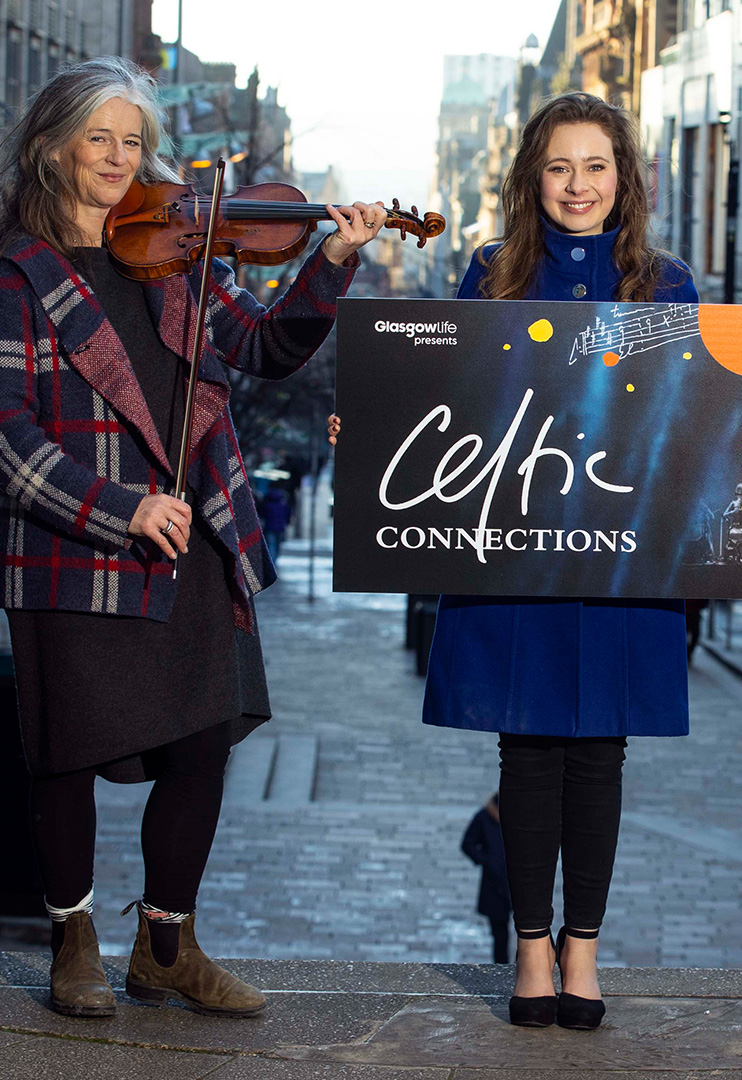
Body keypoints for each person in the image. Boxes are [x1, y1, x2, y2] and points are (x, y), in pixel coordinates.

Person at [0, 56, 386, 1019]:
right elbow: (7, 436)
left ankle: (166, 944)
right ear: (53, 147)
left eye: (135, 143)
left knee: (205, 740)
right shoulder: (16, 273)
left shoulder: (178, 255)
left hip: (193, 538)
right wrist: (118, 507)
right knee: (68, 754)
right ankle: (73, 942)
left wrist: (328, 262)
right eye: (100, 138)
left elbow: (265, 348)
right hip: (77, 544)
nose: (119, 159)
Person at [329, 91, 697, 1030]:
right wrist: (376, 428)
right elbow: (451, 401)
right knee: (526, 750)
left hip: (618, 562)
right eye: (560, 167)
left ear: (627, 178)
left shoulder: (668, 283)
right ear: (534, 177)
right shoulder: (491, 271)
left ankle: (585, 951)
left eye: (597, 166)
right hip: (516, 554)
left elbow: (690, 423)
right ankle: (531, 952)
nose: (579, 185)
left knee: (600, 756)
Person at [461, 792, 512, 964]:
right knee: (499, 932)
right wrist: (487, 861)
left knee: (528, 929)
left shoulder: (520, 814)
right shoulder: (484, 817)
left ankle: (523, 967)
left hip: (518, 879)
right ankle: (501, 967)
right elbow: (467, 844)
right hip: (495, 882)